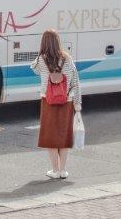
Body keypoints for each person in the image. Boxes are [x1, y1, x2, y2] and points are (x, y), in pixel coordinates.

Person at [30, 28, 82, 179]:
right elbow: (76, 80)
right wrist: (77, 103)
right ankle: (63, 170)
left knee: (50, 135)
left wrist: (41, 54)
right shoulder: (68, 59)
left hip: (48, 101)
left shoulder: (41, 60)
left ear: (44, 43)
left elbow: (32, 68)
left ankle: (55, 170)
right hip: (67, 101)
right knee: (64, 134)